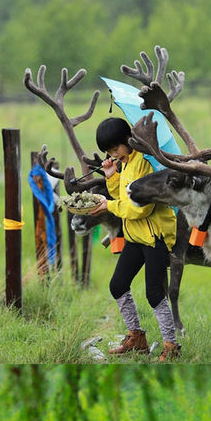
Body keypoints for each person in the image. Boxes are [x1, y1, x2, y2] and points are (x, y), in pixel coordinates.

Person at [89, 117, 181, 362]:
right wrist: (111, 177)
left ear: (128, 140)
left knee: (154, 293)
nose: (113, 154)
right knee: (118, 285)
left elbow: (139, 208)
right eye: (108, 151)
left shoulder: (146, 163)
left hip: (155, 239)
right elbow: (124, 195)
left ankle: (171, 346)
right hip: (135, 237)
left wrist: (108, 206)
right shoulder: (127, 163)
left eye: (115, 148)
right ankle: (136, 338)